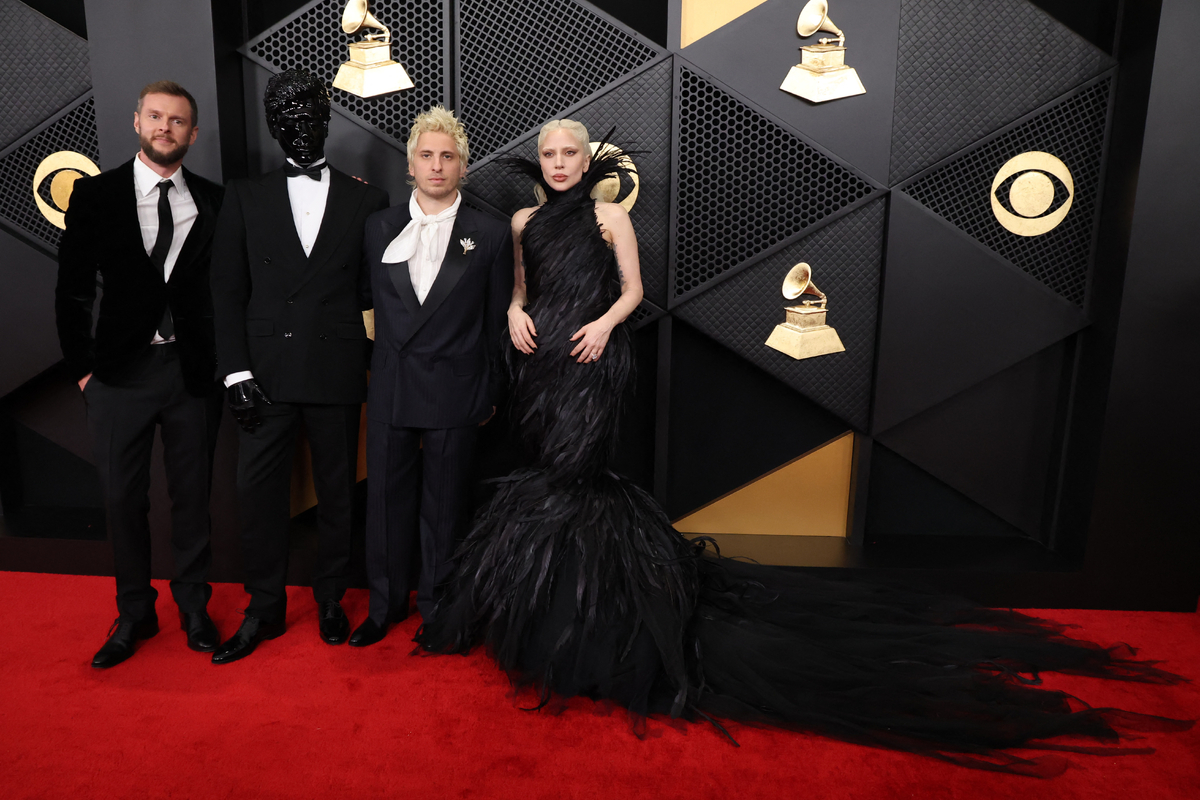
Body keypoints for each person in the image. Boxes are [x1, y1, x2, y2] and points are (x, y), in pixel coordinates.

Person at [415, 119, 1191, 775]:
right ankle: (552, 618)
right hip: (541, 362)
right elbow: (519, 288)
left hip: (595, 361)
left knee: (577, 475)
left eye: (570, 154)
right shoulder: (521, 223)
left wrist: (606, 325)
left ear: (588, 161)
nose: (558, 164)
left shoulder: (609, 215)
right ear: (540, 160)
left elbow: (633, 291)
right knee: (546, 474)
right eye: (549, 154)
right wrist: (514, 312)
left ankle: (593, 623)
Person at [209, 68, 388, 664]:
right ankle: (264, 608)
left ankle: (331, 597)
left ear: (327, 120)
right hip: (263, 373)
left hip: (336, 366)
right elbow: (226, 291)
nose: (302, 128)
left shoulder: (368, 199)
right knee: (259, 496)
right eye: (288, 119)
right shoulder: (244, 195)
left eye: (311, 116)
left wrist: (371, 358)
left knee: (338, 493)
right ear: (272, 127)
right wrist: (235, 373)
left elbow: (373, 294)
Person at [55, 80, 225, 668]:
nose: (164, 128)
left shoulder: (214, 200)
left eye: (176, 121)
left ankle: (194, 607)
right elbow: (72, 290)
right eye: (155, 116)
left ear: (192, 132)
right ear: (137, 122)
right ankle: (134, 614)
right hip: (117, 376)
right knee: (122, 499)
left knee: (192, 499)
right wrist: (84, 372)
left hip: (190, 373)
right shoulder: (95, 195)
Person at [351, 107, 512, 647]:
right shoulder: (378, 227)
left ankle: (438, 610)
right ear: (410, 165)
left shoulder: (491, 234)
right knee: (385, 504)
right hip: (392, 384)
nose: (437, 165)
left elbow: (495, 323)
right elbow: (366, 303)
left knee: (444, 509)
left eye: (447, 156)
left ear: (463, 165)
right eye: (426, 155)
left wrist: (489, 391)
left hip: (456, 389)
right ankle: (384, 607)